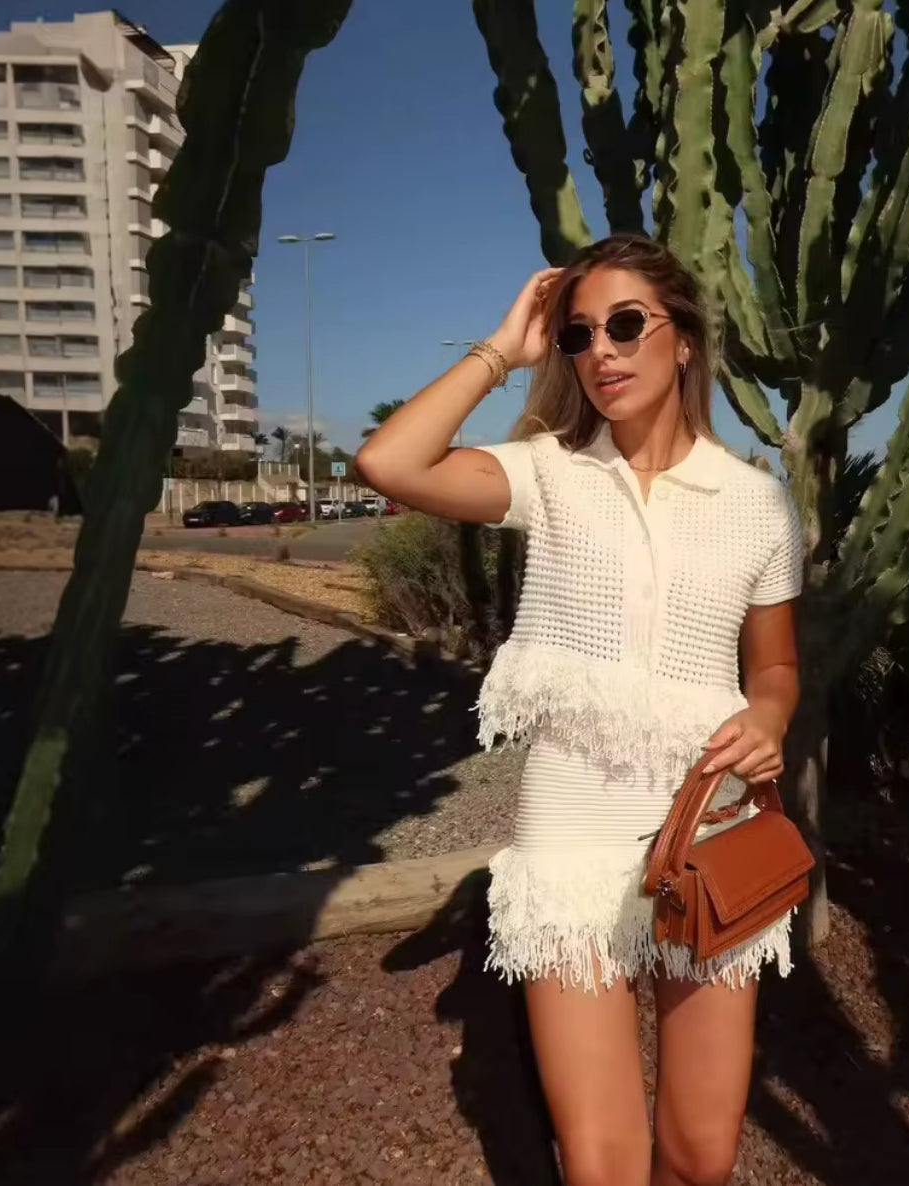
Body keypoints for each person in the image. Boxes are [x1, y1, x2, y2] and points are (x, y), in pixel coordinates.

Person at [356, 235, 802, 1186]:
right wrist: (501, 351)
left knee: (702, 1155)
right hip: (570, 831)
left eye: (627, 324)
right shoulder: (548, 473)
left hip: (710, 827)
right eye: (580, 334)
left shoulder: (759, 504)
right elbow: (389, 462)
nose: (602, 350)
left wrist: (769, 720)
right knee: (601, 1164)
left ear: (684, 339)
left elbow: (774, 667)